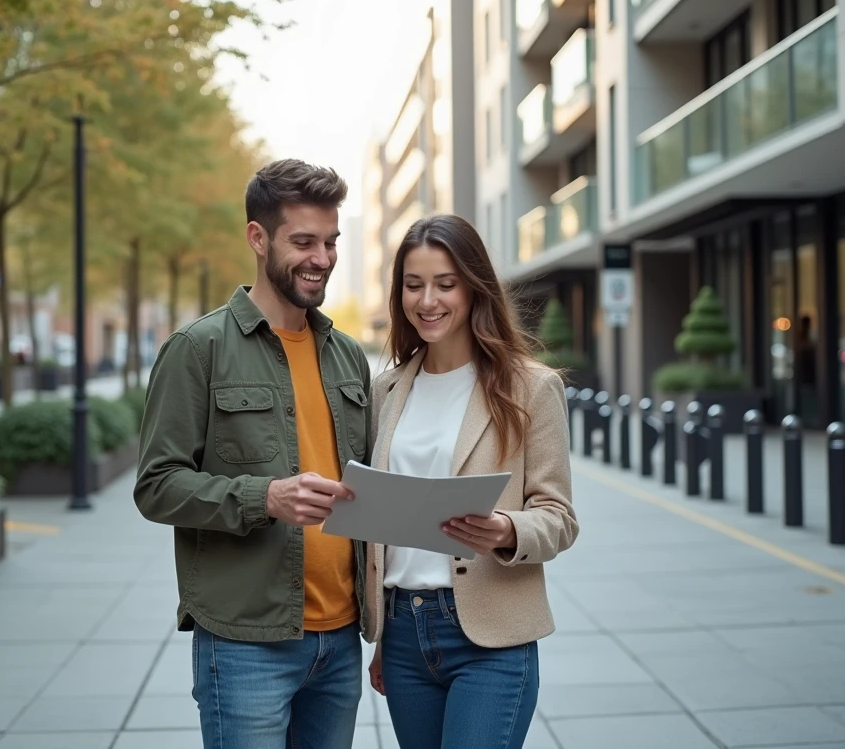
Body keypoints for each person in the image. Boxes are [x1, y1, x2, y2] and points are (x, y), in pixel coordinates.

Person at [134, 159, 373, 749]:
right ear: (258, 238)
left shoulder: (347, 356)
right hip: (245, 646)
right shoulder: (198, 349)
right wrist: (262, 497)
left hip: (341, 639)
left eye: (330, 242)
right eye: (303, 242)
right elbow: (156, 485)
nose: (322, 258)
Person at [363, 214, 579, 749]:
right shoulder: (385, 392)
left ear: (474, 287)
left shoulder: (531, 388)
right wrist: (383, 641)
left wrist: (506, 529)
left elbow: (560, 518)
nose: (427, 300)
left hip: (491, 637)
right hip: (404, 634)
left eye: (445, 283)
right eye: (414, 285)